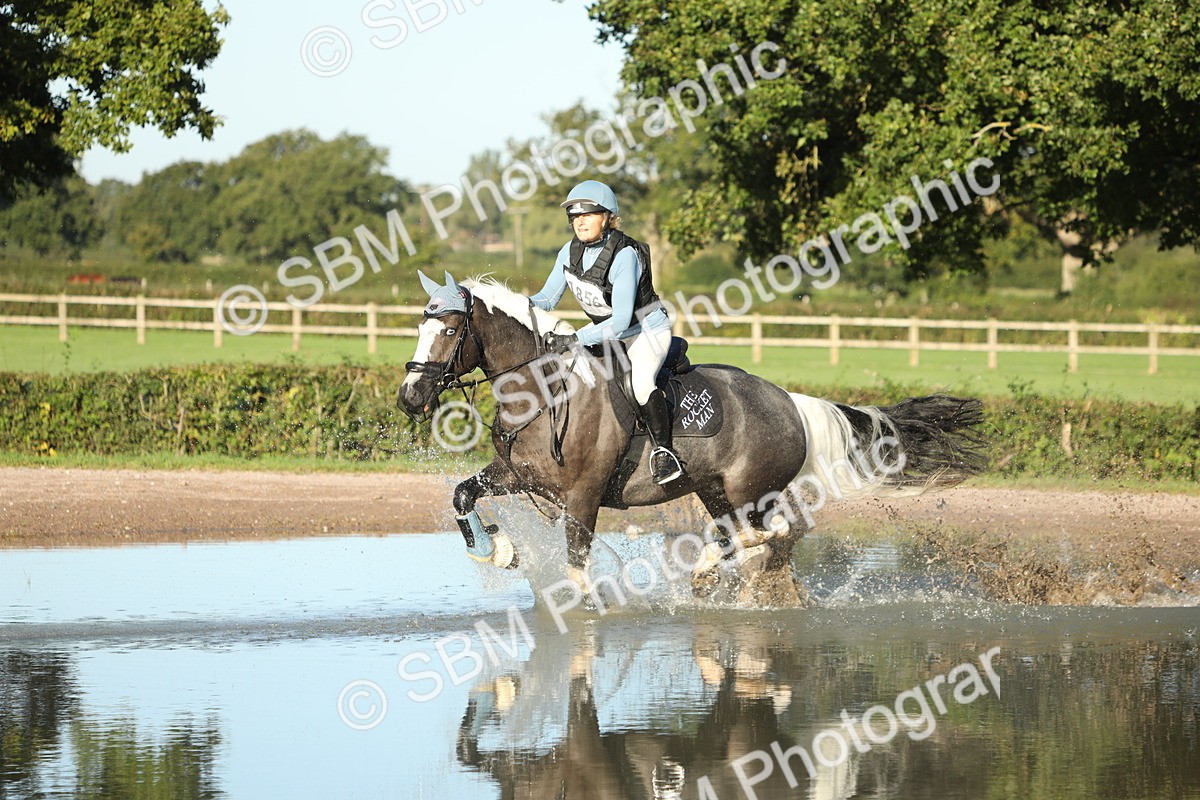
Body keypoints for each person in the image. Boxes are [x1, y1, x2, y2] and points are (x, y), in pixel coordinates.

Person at [529, 179, 682, 484]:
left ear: (608, 218)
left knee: (639, 383)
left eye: (588, 215)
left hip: (645, 332)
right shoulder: (567, 253)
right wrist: (504, 302)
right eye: (575, 216)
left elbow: (622, 322)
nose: (580, 222)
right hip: (604, 333)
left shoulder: (624, 255)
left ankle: (664, 453)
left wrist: (576, 338)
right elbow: (546, 299)